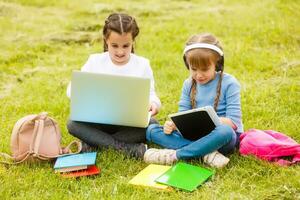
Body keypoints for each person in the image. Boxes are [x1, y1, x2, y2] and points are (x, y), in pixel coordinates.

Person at [66, 13, 161, 159]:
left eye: (126, 45)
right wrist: (81, 95)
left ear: (133, 41)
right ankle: (128, 149)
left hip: (129, 123)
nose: (120, 51)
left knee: (152, 124)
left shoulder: (142, 64)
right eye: (114, 46)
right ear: (106, 41)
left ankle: (94, 143)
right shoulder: (95, 61)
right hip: (98, 120)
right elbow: (73, 89)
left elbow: (150, 93)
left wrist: (154, 103)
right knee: (73, 123)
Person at [144, 33, 243, 168]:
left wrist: (207, 120)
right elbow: (182, 115)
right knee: (152, 130)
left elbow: (234, 122)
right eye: (194, 69)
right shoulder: (188, 84)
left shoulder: (230, 83)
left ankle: (176, 155)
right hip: (194, 136)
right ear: (187, 65)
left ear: (217, 64)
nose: (199, 75)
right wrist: (173, 125)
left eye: (205, 69)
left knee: (225, 131)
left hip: (221, 138)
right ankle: (207, 154)